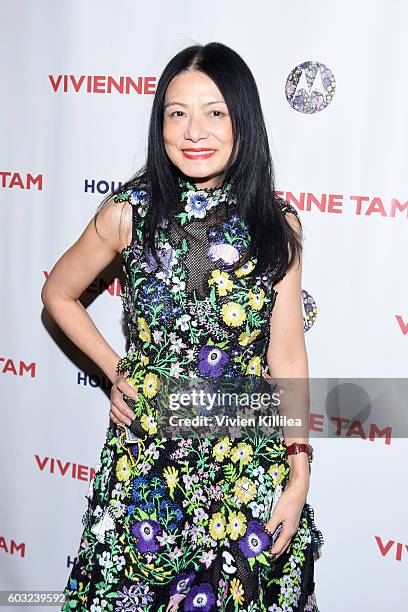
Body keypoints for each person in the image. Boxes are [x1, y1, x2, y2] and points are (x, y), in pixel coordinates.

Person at [42, 41, 324, 612]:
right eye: (177, 113)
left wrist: (298, 471)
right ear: (161, 124)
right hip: (148, 469)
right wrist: (118, 371)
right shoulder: (129, 213)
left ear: (243, 121)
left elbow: (288, 356)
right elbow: (58, 294)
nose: (195, 130)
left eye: (215, 112)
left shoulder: (278, 225)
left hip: (247, 468)